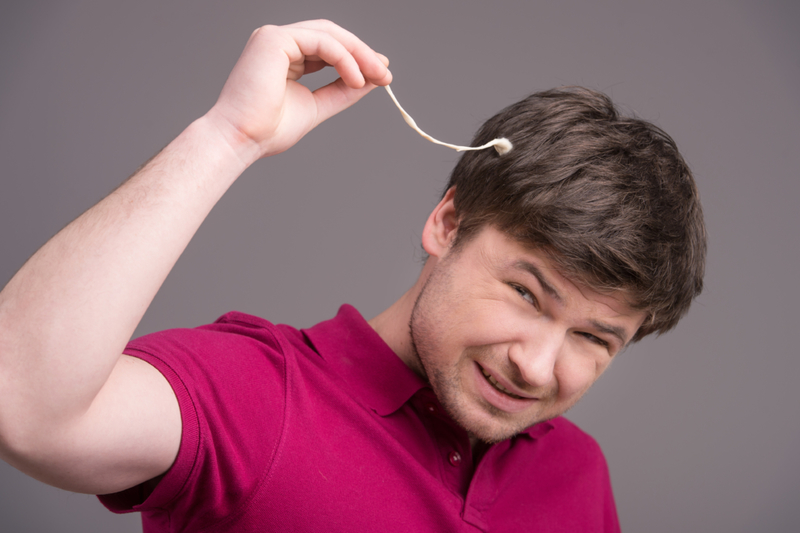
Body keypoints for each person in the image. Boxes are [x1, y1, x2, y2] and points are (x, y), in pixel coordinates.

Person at [0, 19, 705, 532]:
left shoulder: (577, 476)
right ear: (448, 224)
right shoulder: (260, 397)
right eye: (525, 292)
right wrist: (227, 137)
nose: (535, 363)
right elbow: (24, 407)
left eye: (594, 337)